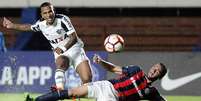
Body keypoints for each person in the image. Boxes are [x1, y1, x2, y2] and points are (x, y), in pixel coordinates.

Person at [2, 2, 92, 90]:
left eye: (50, 11)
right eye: (45, 13)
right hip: (60, 53)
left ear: (54, 11)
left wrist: (63, 48)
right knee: (61, 64)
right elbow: (28, 27)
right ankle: (59, 90)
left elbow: (74, 37)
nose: (48, 15)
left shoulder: (63, 19)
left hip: (75, 50)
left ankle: (78, 94)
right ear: (42, 15)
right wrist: (12, 25)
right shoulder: (41, 24)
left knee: (87, 80)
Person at [25, 54, 167, 101]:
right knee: (72, 93)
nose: (154, 70)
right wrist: (101, 61)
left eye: (158, 71)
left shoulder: (151, 92)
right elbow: (114, 68)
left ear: (159, 76)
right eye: (154, 67)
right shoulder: (136, 70)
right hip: (105, 86)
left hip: (113, 97)